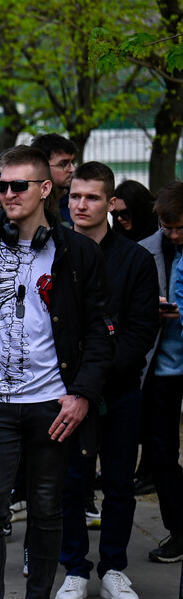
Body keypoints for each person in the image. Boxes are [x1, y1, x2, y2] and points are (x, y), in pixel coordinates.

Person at [0, 145, 114, 599]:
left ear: (44, 189)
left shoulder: (77, 251)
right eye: (2, 185)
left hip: (53, 406)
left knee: (47, 510)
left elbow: (100, 330)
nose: (9, 193)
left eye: (20, 185)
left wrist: (82, 394)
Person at [54, 162, 159, 599]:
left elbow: (139, 333)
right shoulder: (52, 251)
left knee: (118, 483)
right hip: (63, 392)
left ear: (111, 202)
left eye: (92, 197)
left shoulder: (135, 259)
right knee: (70, 484)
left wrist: (92, 382)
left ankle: (114, 568)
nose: (81, 205)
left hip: (118, 391)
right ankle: (74, 569)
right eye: (75, 196)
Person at [137, 181, 183, 565]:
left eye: (180, 227)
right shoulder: (147, 251)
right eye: (167, 227)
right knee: (162, 454)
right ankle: (179, 531)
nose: (174, 235)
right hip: (162, 370)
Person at [30, 133, 77, 224]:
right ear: (42, 167)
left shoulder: (79, 202)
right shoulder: (28, 204)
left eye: (72, 163)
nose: (72, 169)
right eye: (63, 164)